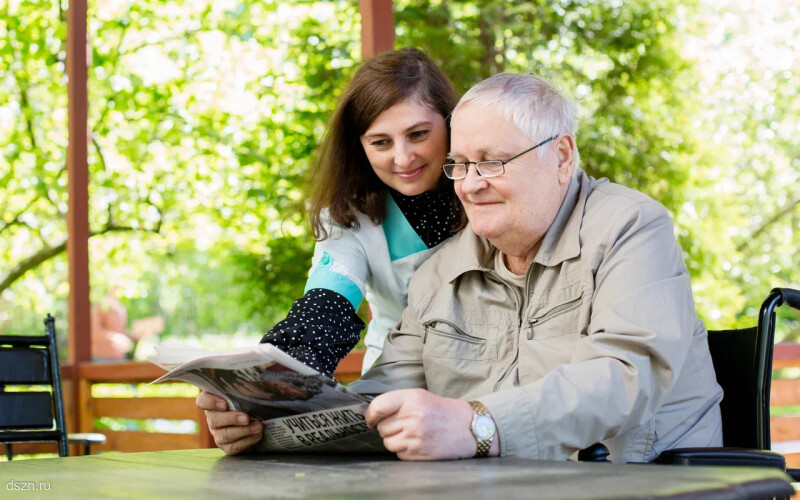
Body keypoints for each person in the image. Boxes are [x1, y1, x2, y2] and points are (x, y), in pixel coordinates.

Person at [199, 73, 723, 462]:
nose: (469, 184)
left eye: (493, 162)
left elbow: (628, 374)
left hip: (647, 485)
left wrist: (477, 425)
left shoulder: (630, 226)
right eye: (461, 164)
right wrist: (268, 422)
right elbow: (381, 399)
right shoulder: (440, 268)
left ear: (562, 155)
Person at [258, 48, 461, 378]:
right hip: (399, 382)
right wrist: (278, 374)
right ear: (359, 146)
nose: (404, 158)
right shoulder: (347, 215)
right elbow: (328, 304)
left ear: (451, 123)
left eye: (418, 134)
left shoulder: (490, 185)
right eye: (381, 142)